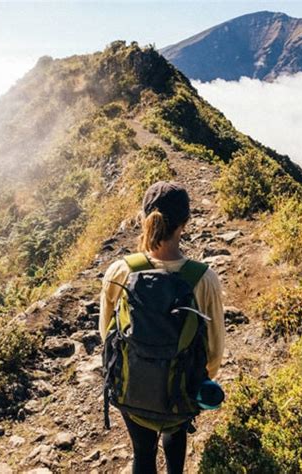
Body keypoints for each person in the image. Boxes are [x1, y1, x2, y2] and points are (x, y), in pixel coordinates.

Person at [99, 181, 225, 474]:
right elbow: (215, 350)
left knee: (142, 453)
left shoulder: (120, 272)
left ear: (145, 219)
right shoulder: (203, 279)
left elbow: (106, 334)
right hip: (181, 392)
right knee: (175, 435)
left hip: (132, 392)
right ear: (185, 223)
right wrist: (195, 380)